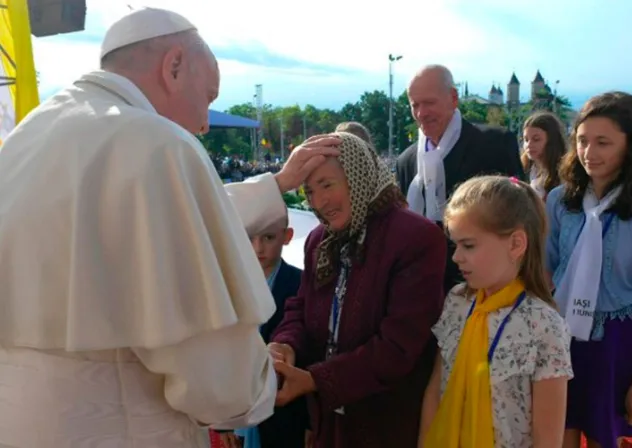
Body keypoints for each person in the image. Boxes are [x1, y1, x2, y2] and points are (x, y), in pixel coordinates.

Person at [0, 7, 338, 448]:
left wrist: (273, 186)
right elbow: (216, 381)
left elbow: (140, 227)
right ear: (174, 66)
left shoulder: (26, 140)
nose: (203, 123)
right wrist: (263, 389)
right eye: (209, 97)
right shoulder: (157, 143)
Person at [268, 133, 447, 448]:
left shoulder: (416, 238)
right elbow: (300, 306)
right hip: (329, 424)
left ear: (357, 174)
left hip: (388, 425)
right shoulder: (319, 241)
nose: (318, 202)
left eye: (327, 185)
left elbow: (398, 347)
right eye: (309, 191)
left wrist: (314, 380)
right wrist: (285, 346)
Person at [547, 92, 632, 448]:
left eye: (603, 142)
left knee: (606, 439)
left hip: (618, 345)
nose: (589, 153)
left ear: (631, 145)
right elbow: (544, 273)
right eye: (583, 141)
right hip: (562, 338)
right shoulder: (560, 201)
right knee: (557, 436)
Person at [419, 175, 573, 448]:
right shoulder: (457, 302)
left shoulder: (543, 324)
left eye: (468, 246)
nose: (455, 257)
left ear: (516, 244)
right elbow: (435, 388)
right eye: (455, 245)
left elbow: (548, 437)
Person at [396, 65, 525, 291]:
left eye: (429, 103)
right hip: (425, 291)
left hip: (489, 290)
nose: (421, 113)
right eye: (415, 105)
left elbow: (521, 217)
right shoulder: (406, 161)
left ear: (453, 98)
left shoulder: (495, 145)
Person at [223, 212, 309, 448]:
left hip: (285, 408)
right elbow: (226, 354)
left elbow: (309, 356)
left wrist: (310, 422)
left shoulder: (301, 283)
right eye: (250, 238)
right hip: (241, 406)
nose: (258, 248)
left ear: (287, 236)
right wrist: (225, 420)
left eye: (269, 237)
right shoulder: (230, 287)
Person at [520, 111, 567, 200]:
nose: (529, 145)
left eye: (536, 139)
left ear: (551, 141)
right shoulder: (523, 170)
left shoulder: (564, 174)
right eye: (526, 140)